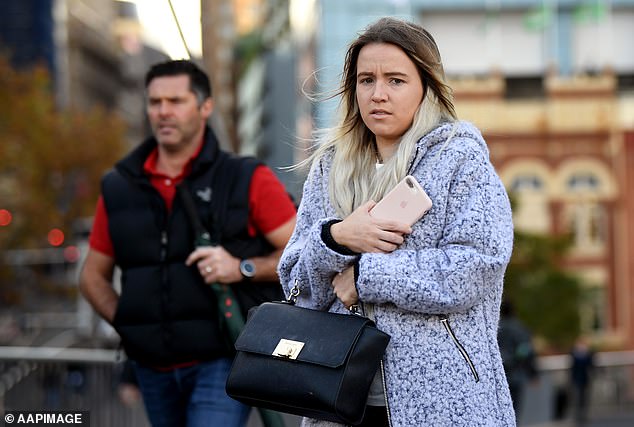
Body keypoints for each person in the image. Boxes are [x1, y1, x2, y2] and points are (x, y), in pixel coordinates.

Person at [278, 17, 515, 427]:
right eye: (366, 80)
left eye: (396, 80)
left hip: (444, 400)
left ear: (426, 85)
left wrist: (368, 276)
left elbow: (479, 265)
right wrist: (335, 238)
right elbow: (297, 287)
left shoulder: (459, 158)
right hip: (339, 399)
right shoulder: (330, 167)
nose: (378, 94)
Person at [79, 59, 296, 427]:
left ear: (204, 106)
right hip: (151, 368)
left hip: (222, 360)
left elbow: (301, 257)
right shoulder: (119, 186)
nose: (163, 112)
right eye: (155, 102)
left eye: (176, 101)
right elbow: (91, 277)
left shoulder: (246, 177)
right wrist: (133, 326)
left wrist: (241, 268)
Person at [498, 300, 538, 419]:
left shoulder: (494, 327)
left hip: (497, 374)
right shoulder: (520, 329)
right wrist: (533, 373)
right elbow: (526, 351)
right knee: (515, 410)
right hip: (516, 374)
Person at [570, 337, 594, 424]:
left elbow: (591, 364)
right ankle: (577, 415)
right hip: (576, 379)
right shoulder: (574, 353)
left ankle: (583, 415)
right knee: (577, 398)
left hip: (585, 379)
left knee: (584, 398)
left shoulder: (588, 354)